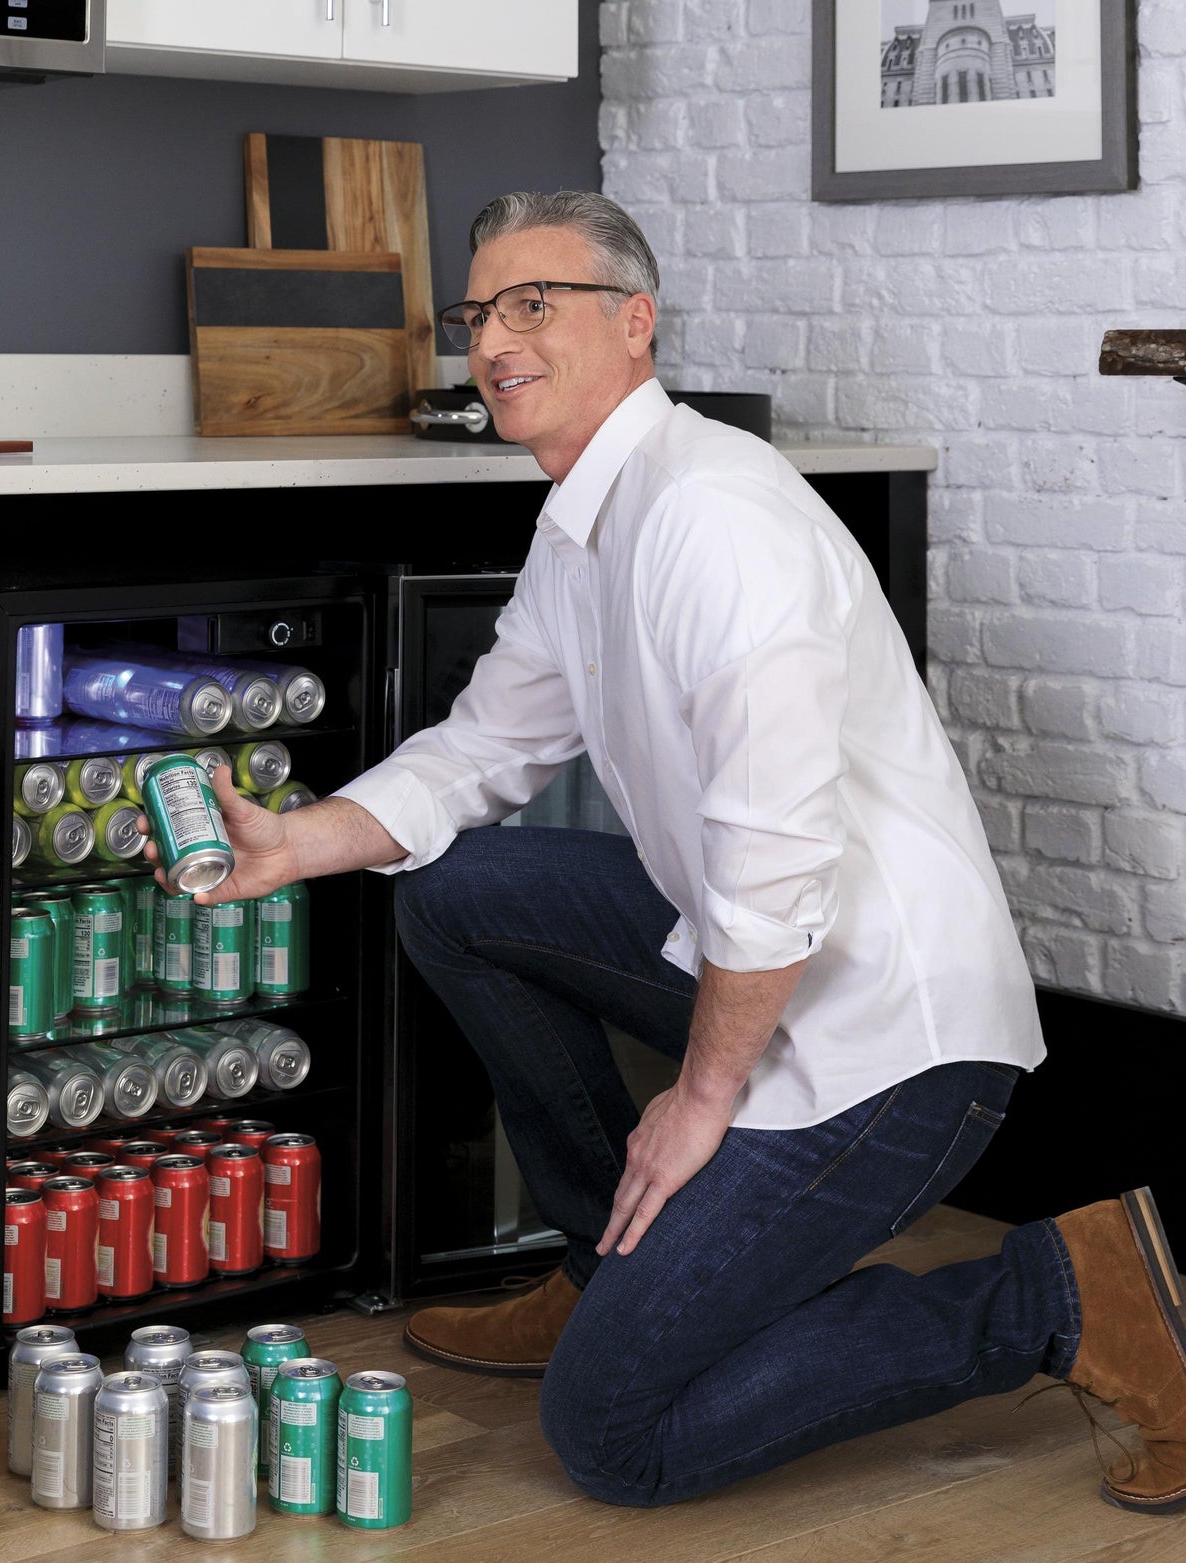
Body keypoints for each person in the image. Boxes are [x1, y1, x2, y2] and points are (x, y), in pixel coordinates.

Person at [141, 190, 1186, 1515]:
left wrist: (699, 1100)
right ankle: (608, 1262)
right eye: (477, 313)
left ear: (635, 322)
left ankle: (1062, 1296)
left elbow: (776, 857)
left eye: (534, 304)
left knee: (612, 1435)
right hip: (762, 969)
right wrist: (295, 842)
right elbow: (482, 749)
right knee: (449, 890)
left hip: (891, 1043)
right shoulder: (589, 521)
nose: (493, 340)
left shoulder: (715, 519)